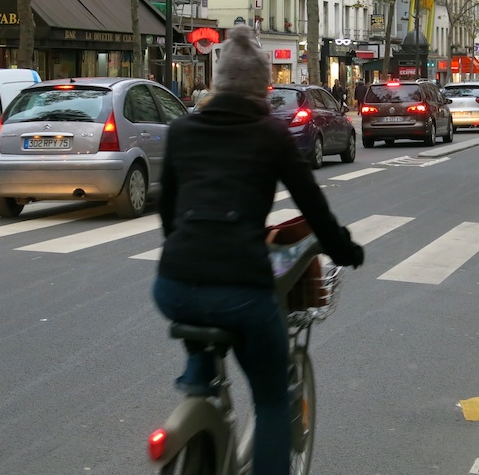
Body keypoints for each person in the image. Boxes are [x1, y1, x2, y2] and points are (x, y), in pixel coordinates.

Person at [152, 25, 364, 475]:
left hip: (173, 286)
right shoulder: (270, 134)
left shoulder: (183, 130)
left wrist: (189, 255)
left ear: (217, 83)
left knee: (201, 332)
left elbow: (168, 213)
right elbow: (313, 207)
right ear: (261, 88)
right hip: (241, 291)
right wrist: (344, 248)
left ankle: (199, 381)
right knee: (272, 399)